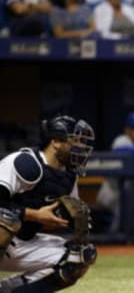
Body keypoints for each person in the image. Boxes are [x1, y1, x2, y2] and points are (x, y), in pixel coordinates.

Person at [0, 115, 97, 291]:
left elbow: (70, 212)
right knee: (6, 221)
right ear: (56, 142)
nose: (81, 147)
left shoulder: (69, 175)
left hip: (21, 243)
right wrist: (34, 215)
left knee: (79, 258)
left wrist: (77, 223)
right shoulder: (26, 163)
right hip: (3, 235)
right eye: (75, 141)